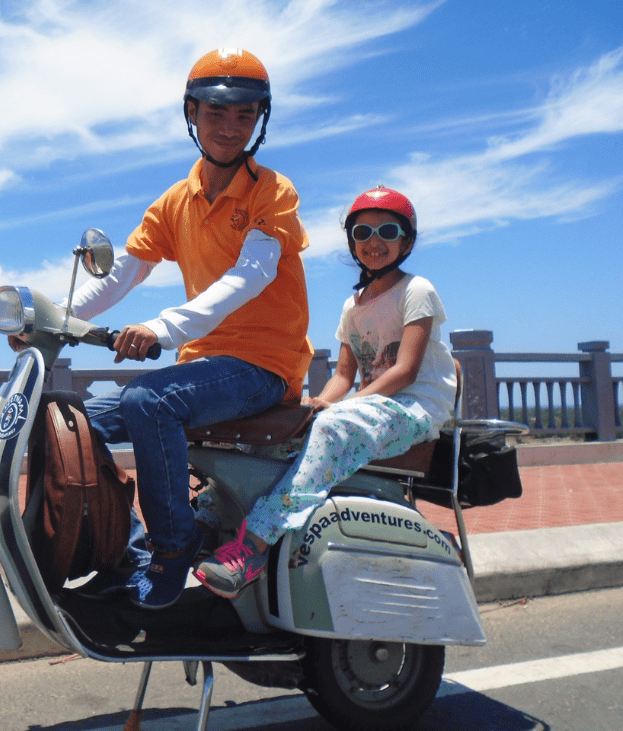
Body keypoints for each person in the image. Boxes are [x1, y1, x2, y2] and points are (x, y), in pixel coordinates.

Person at [65, 48, 314, 609]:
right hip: (203, 365)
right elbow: (122, 273)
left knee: (150, 403)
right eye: (216, 113)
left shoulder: (272, 192)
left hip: (264, 367)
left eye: (245, 115)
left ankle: (174, 550)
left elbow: (250, 275)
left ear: (260, 121)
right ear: (192, 115)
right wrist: (59, 320)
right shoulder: (175, 201)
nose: (230, 127)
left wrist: (162, 328)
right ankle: (123, 548)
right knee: (68, 423)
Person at [194, 186, 457, 599]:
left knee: (331, 428)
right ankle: (209, 516)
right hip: (374, 406)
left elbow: (405, 372)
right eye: (363, 232)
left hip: (414, 409)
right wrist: (319, 403)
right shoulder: (352, 305)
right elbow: (344, 374)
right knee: (280, 426)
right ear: (352, 241)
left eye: (388, 231)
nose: (375, 242)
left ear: (406, 241)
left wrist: (343, 408)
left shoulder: (416, 290)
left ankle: (254, 546)